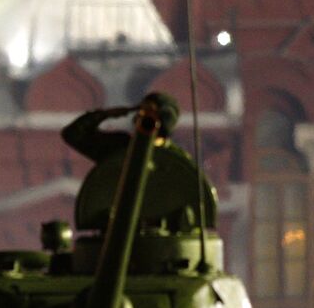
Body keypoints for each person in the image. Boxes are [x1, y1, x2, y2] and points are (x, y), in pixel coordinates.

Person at [61, 91, 212, 233]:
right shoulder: (120, 148)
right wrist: (106, 114)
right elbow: (73, 134)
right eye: (140, 111)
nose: (140, 116)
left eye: (149, 113)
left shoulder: (175, 161)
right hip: (118, 228)